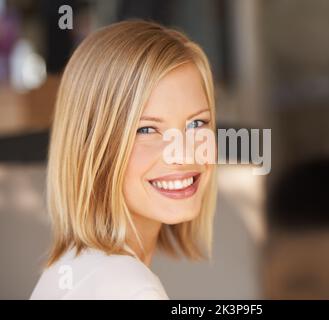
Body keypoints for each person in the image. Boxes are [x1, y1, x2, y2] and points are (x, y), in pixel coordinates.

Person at [30, 20, 217, 299]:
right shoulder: (131, 289)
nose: (184, 152)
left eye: (196, 124)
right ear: (92, 148)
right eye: (147, 129)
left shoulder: (75, 269)